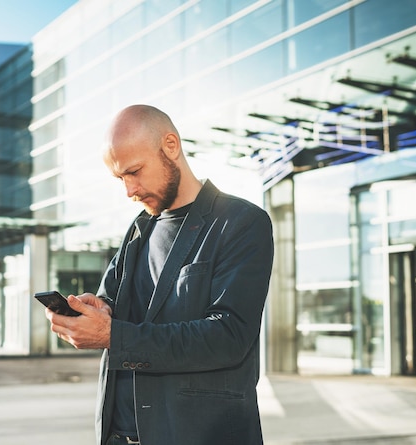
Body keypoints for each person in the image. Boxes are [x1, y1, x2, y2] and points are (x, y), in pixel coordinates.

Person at [45, 104, 274, 445]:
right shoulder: (138, 230)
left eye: (134, 171)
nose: (129, 190)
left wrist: (113, 336)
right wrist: (99, 310)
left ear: (171, 146)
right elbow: (113, 304)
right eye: (120, 178)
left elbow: (228, 338)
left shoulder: (240, 222)